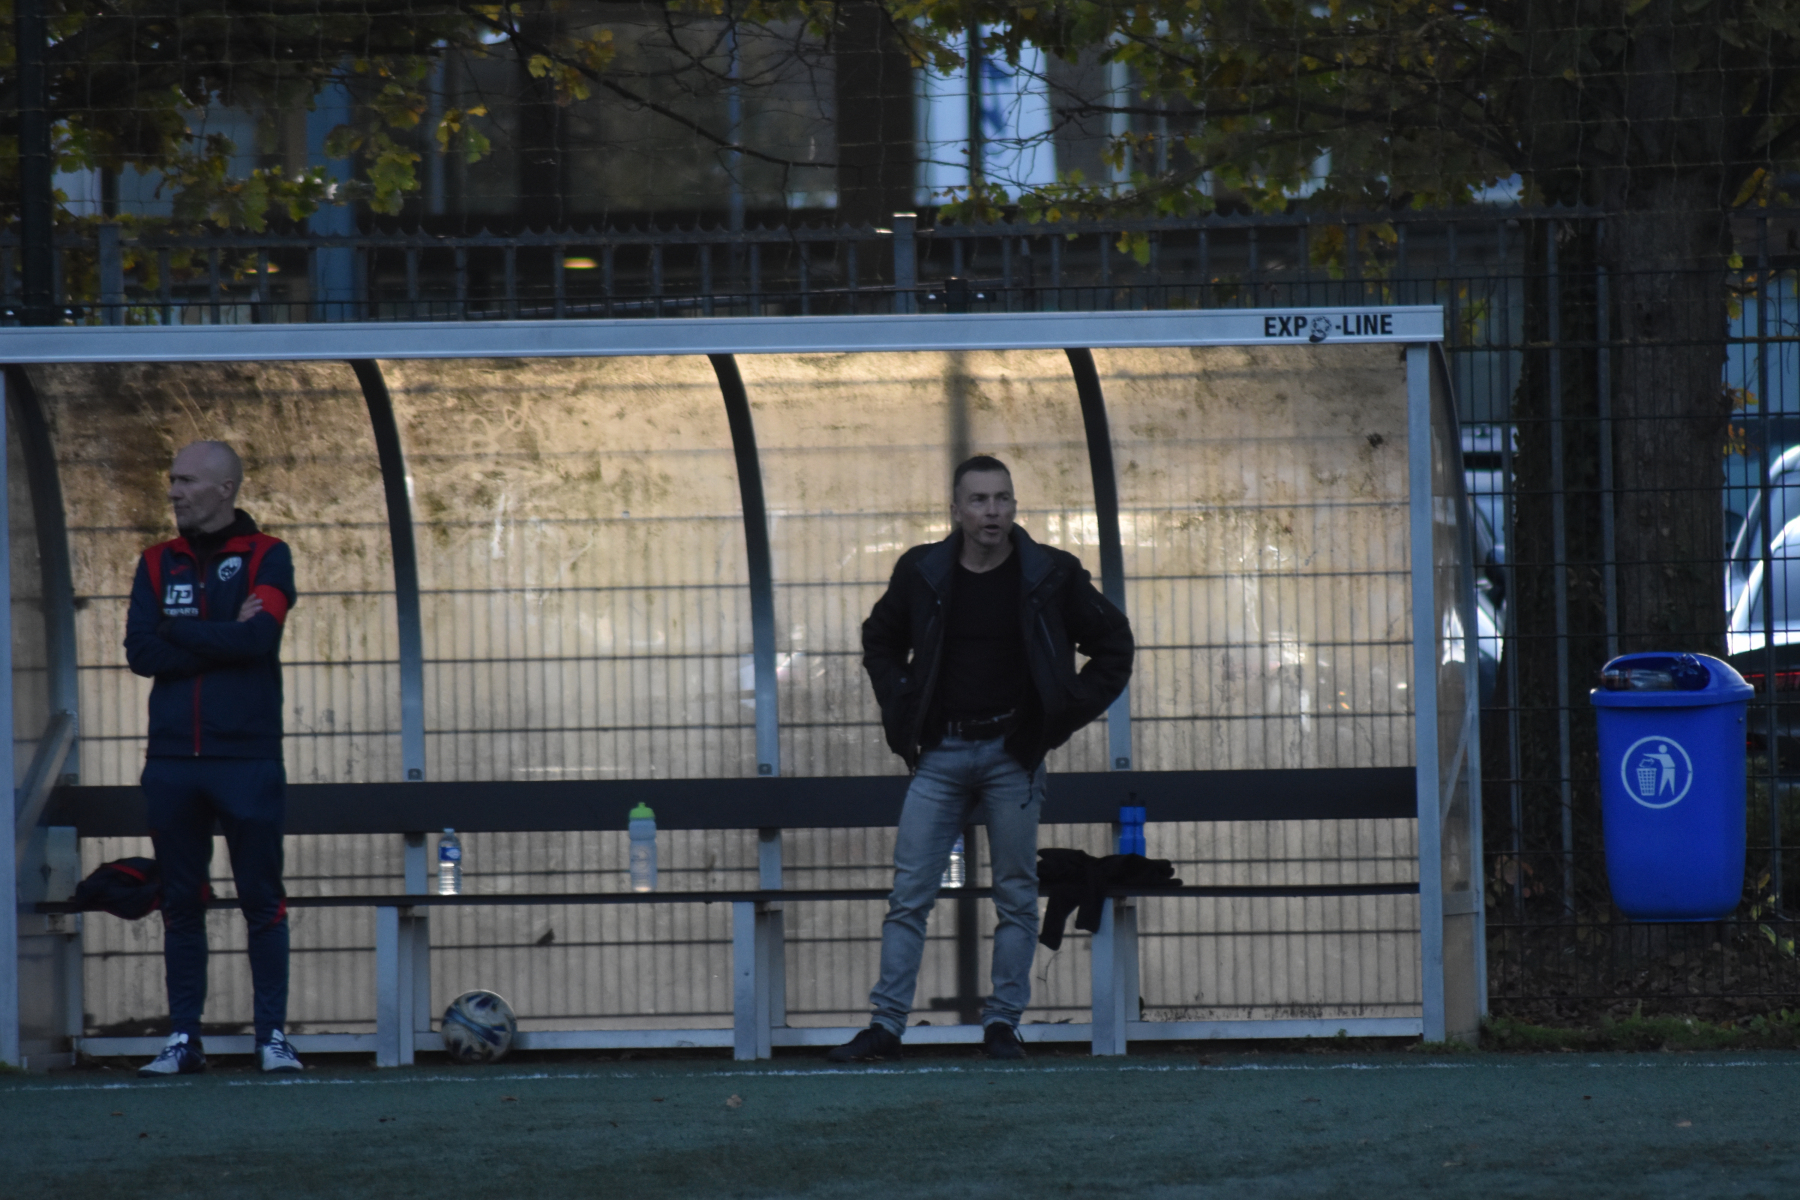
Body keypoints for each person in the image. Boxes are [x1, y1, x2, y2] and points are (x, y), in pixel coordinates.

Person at [829, 455, 1134, 1062]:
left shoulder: (1051, 573)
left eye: (1002, 499)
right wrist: (903, 701)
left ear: (1014, 505)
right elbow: (880, 639)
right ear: (956, 510)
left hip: (1012, 754)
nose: (992, 512)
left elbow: (1113, 645)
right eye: (979, 500)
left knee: (1016, 893)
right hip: (941, 754)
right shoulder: (922, 571)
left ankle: (1002, 1025)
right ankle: (886, 1026)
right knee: (910, 894)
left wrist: (1060, 714)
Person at [123, 441, 302, 1076]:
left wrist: (179, 631)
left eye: (186, 480)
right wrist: (220, 636)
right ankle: (183, 1038)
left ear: (225, 489)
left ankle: (272, 1037)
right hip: (173, 760)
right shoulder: (155, 562)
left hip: (246, 756)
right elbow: (141, 652)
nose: (173, 491)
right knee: (181, 901)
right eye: (172, 479)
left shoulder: (268, 555)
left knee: (261, 898)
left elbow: (259, 638)